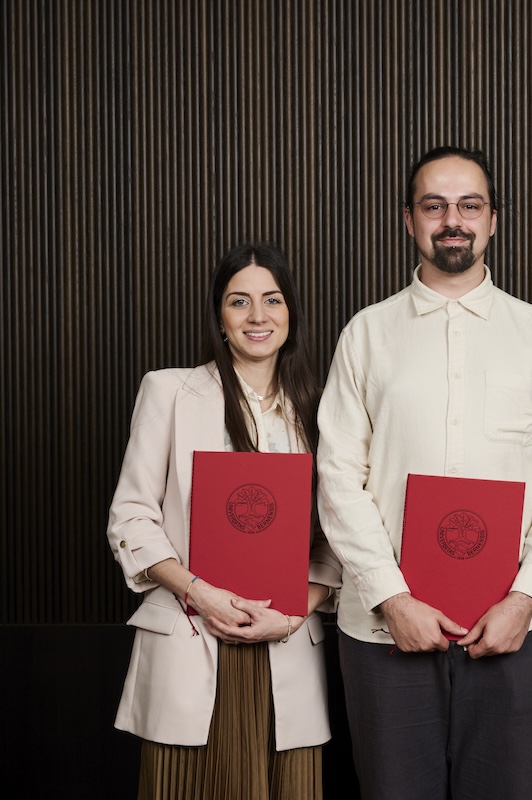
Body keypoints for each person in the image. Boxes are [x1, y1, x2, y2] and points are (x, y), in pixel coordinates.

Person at [316, 146, 532, 799]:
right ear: (409, 220)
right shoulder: (366, 335)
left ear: (493, 220)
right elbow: (338, 474)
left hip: (514, 627)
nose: (452, 220)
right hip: (386, 627)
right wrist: (391, 596)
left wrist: (526, 599)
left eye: (469, 205)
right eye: (434, 206)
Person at [107, 242, 341, 800]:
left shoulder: (322, 408)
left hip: (287, 643)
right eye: (240, 302)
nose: (258, 317)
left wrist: (290, 614)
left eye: (272, 300)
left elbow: (337, 537)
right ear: (220, 315)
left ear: (291, 313)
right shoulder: (169, 391)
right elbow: (132, 517)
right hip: (191, 634)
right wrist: (203, 593)